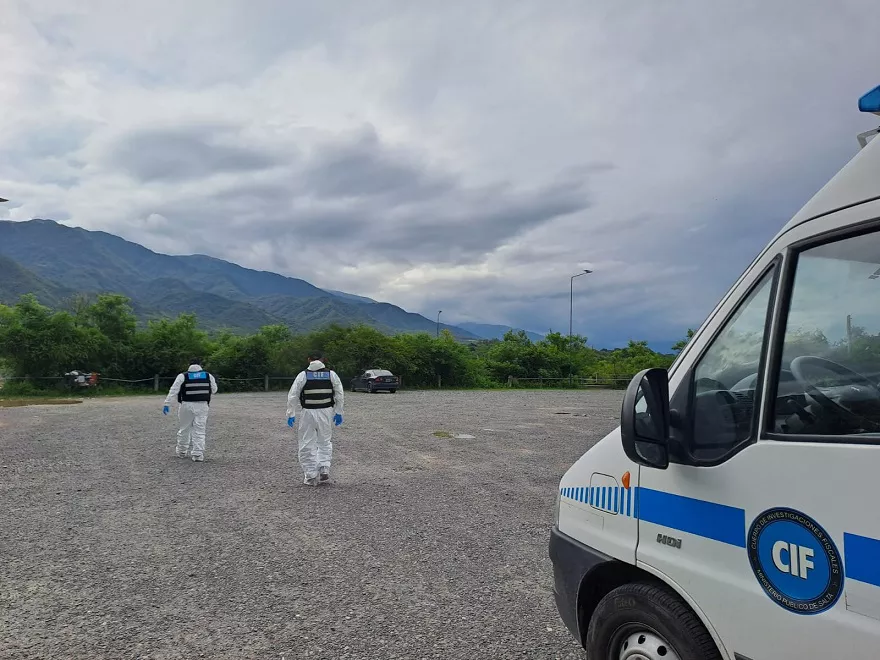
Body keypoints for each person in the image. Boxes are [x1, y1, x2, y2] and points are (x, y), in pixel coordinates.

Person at [287, 352, 344, 486]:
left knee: (307, 442)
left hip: (308, 412)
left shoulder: (303, 375)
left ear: (309, 360)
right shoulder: (331, 374)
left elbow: (293, 395)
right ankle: (324, 468)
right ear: (323, 360)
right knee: (324, 441)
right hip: (326, 411)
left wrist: (291, 414)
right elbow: (339, 394)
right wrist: (339, 412)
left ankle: (311, 475)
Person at [162, 358, 218, 462]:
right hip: (202, 405)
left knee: (184, 428)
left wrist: (167, 403)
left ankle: (182, 451)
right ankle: (198, 454)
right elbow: (214, 390)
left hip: (186, 404)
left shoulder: (183, 376)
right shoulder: (208, 376)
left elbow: (173, 390)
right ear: (200, 365)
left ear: (189, 365)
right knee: (199, 430)